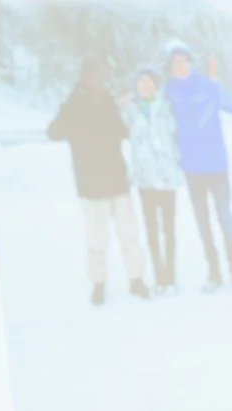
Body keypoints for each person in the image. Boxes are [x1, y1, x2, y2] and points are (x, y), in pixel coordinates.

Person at [48, 58, 149, 306]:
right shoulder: (72, 105)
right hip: (91, 186)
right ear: (83, 77)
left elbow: (123, 131)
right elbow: (53, 132)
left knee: (129, 235)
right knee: (96, 240)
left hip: (117, 181)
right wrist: (68, 109)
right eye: (92, 75)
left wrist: (132, 112)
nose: (97, 79)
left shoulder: (107, 101)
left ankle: (136, 279)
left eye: (100, 75)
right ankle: (98, 284)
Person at [165, 41, 232, 292]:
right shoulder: (170, 92)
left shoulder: (208, 86)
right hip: (192, 170)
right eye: (175, 64)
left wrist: (221, 88)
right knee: (202, 223)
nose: (179, 67)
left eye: (183, 62)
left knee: (225, 219)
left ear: (191, 64)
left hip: (216, 166)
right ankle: (214, 272)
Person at [120, 66, 182, 294]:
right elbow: (112, 124)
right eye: (140, 82)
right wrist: (119, 104)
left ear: (155, 84)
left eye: (148, 81)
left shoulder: (167, 106)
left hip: (166, 175)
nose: (145, 85)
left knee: (169, 227)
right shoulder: (130, 110)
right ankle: (159, 276)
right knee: (151, 228)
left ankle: (171, 276)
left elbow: (178, 132)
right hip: (145, 177)